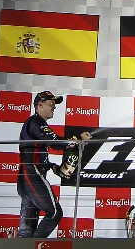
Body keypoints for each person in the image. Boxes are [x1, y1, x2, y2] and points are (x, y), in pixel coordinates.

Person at [17, 91, 91, 239]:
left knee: (26, 231)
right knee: (55, 212)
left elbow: (33, 153)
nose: (54, 107)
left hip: (29, 176)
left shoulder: (36, 123)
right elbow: (55, 143)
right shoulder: (35, 122)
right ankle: (34, 246)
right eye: (51, 104)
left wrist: (51, 166)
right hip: (32, 175)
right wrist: (79, 139)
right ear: (40, 104)